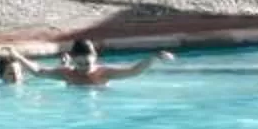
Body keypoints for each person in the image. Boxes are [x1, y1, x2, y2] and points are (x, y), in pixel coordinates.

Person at [43, 39, 175, 87]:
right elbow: (37, 71)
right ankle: (64, 62)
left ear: (95, 57)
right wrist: (20, 56)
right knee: (65, 70)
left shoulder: (103, 73)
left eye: (87, 63)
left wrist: (153, 57)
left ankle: (65, 62)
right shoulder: (68, 74)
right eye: (80, 63)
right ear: (74, 59)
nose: (84, 67)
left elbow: (133, 71)